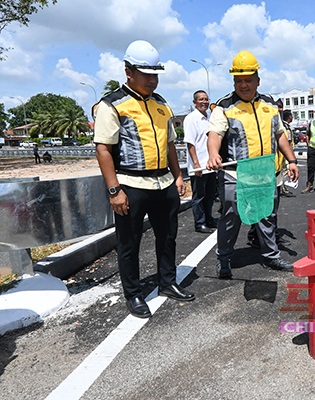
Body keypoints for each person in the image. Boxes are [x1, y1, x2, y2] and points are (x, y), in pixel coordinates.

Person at [94, 40, 194, 319]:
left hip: (164, 184)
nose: (152, 80)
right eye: (146, 74)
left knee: (168, 237)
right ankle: (134, 294)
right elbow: (103, 148)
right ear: (129, 72)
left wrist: (178, 176)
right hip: (130, 184)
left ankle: (167, 282)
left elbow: (171, 144)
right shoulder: (112, 104)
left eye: (156, 74)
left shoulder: (161, 104)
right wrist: (114, 190)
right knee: (129, 243)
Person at [206, 51, 299, 278]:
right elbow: (214, 134)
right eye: (239, 80)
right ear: (233, 81)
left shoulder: (268, 104)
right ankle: (224, 258)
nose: (244, 85)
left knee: (267, 215)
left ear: (258, 80)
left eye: (248, 80)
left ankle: (271, 256)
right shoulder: (224, 106)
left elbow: (280, 135)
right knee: (231, 216)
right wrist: (212, 154)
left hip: (266, 173)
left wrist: (292, 160)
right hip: (236, 175)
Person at [184, 89, 218, 233]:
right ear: (194, 102)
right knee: (199, 196)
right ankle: (200, 223)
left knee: (210, 194)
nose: (204, 102)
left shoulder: (208, 118)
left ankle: (209, 218)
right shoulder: (191, 118)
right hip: (198, 167)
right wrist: (196, 164)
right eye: (201, 99)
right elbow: (190, 142)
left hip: (210, 165)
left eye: (206, 99)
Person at [279, 109, 296, 197]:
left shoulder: (281, 124)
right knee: (286, 170)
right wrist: (292, 157)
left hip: (280, 153)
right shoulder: (286, 127)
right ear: (289, 117)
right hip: (285, 153)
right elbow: (288, 142)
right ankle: (284, 189)